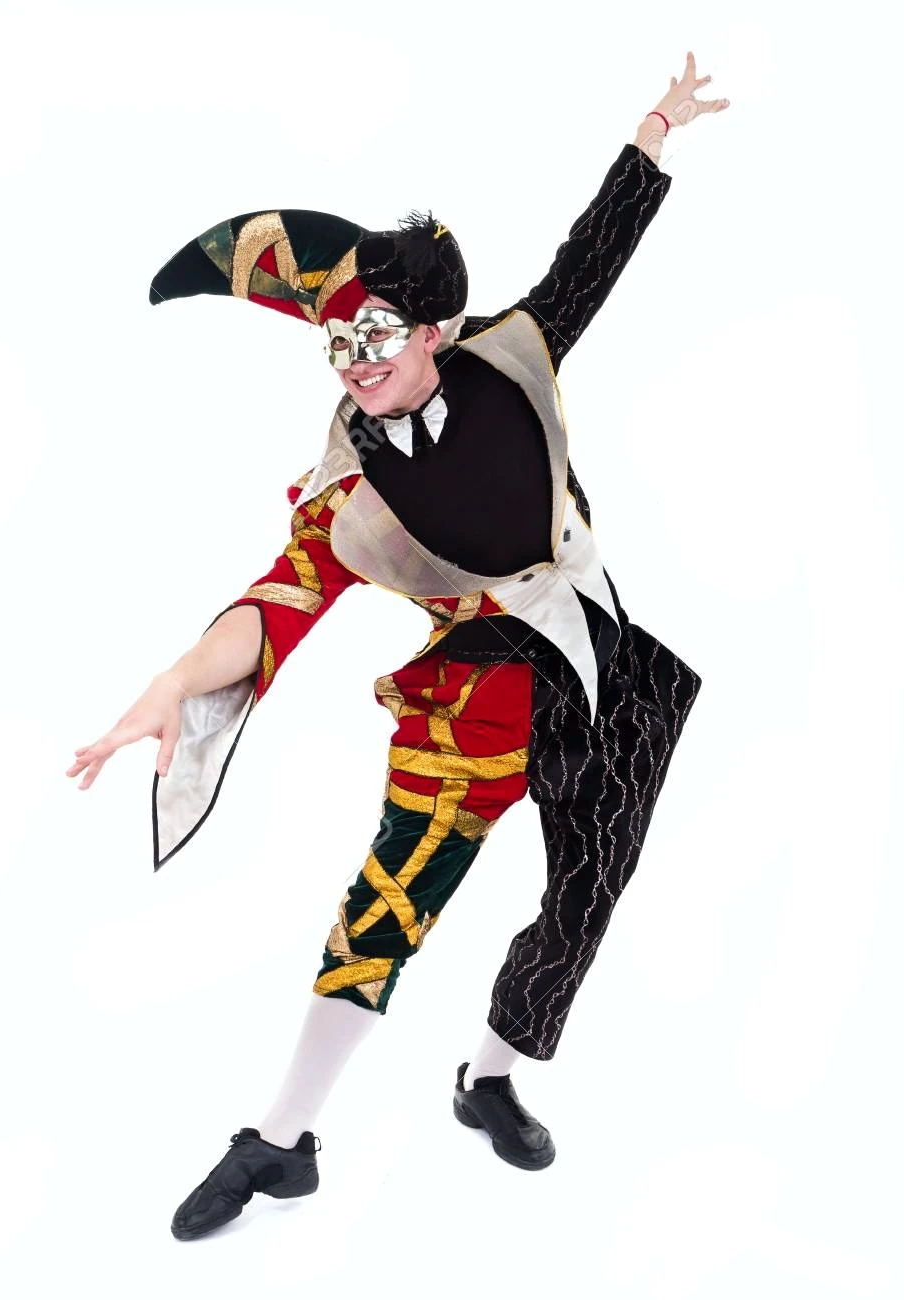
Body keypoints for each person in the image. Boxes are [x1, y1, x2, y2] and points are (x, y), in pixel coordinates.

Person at [67, 52, 728, 1240]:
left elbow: (593, 255)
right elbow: (277, 600)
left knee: (587, 891)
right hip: (471, 712)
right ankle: (280, 1140)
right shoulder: (347, 492)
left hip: (607, 677)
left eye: (373, 332)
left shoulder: (513, 353)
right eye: (337, 344)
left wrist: (652, 131)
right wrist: (172, 681)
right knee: (385, 910)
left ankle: (488, 1077)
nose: (357, 359)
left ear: (431, 329)